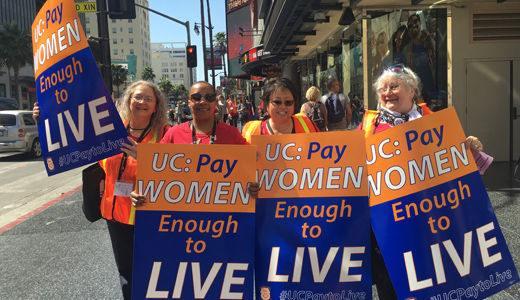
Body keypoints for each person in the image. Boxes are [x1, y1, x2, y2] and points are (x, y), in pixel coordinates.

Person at [33, 80, 170, 300]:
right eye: (137, 97)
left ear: (156, 106)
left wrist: (145, 157)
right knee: (126, 274)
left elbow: (177, 173)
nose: (142, 102)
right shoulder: (110, 128)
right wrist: (44, 118)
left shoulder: (166, 133)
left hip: (150, 216)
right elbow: (70, 132)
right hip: (115, 216)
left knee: (153, 273)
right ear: (128, 100)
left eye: (148, 99)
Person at [358, 64, 483, 300]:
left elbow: (457, 169)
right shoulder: (367, 127)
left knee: (434, 283)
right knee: (392, 288)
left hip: (431, 222)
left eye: (394, 86)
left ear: (412, 90)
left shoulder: (433, 121)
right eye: (382, 89)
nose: (387, 93)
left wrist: (468, 147)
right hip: (389, 227)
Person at [129, 81, 256, 205]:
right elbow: (156, 168)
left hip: (222, 216)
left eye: (209, 97)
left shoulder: (232, 133)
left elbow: (253, 164)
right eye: (196, 97)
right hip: (184, 216)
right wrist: (142, 192)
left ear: (215, 103)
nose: (203, 101)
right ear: (189, 103)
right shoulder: (174, 133)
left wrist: (255, 185)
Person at [242, 77, 318, 143]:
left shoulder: (307, 125)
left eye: (288, 102)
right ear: (266, 104)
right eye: (277, 102)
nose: (283, 106)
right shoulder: (251, 131)